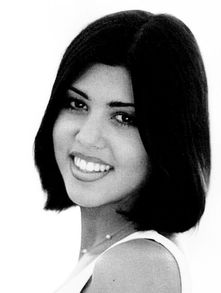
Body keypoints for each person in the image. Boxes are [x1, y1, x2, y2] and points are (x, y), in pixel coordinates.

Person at [34, 9, 210, 293]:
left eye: (124, 118)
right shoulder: (112, 257)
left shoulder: (135, 265)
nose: (88, 137)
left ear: (167, 139)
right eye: (77, 104)